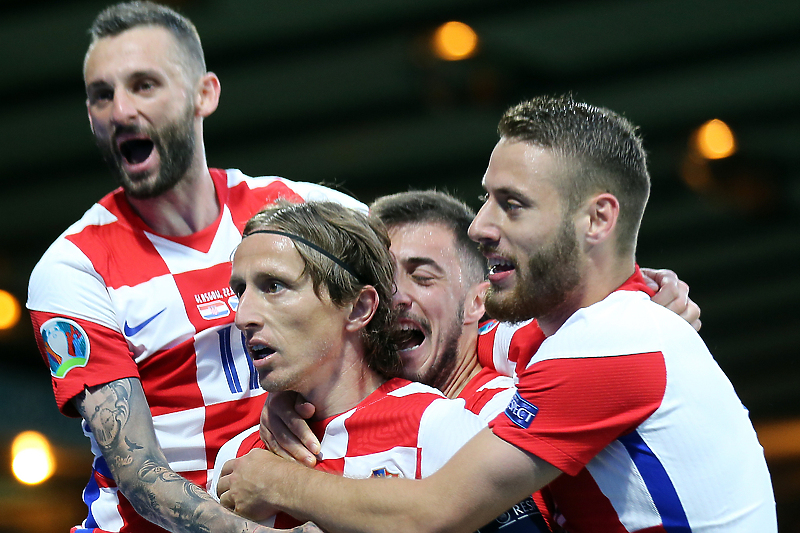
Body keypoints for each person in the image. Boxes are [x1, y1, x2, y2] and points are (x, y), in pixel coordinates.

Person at [216, 96, 777, 532]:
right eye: (486, 199)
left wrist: (277, 481)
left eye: (512, 204)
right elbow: (468, 344)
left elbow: (431, 514)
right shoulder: (560, 338)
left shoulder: (610, 344)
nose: (481, 226)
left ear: (598, 220)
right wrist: (297, 390)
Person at [25, 2, 364, 532]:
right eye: (102, 95)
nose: (120, 111)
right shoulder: (74, 267)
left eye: (143, 85)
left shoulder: (301, 209)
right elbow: (141, 476)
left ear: (204, 94)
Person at [221, 190, 702, 531]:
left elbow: (428, 511)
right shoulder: (252, 446)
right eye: (386, 278)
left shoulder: (503, 403)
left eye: (422, 277)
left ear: (479, 302)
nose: (397, 299)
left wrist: (637, 304)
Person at [210, 200, 490, 528]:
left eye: (274, 286)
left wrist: (285, 487)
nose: (242, 317)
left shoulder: (438, 427)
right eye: (240, 291)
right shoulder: (237, 458)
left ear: (359, 307)